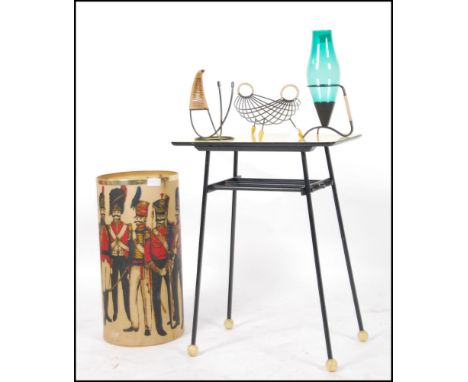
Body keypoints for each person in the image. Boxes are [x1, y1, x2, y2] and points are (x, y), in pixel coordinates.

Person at [124, 187, 152, 336]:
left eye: (141, 218)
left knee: (146, 298)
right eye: (137, 217)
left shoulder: (147, 233)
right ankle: (135, 324)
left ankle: (148, 326)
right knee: (132, 297)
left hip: (145, 269)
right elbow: (129, 251)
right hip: (134, 267)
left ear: (144, 218)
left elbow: (147, 253)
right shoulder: (133, 233)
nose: (138, 220)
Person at [145, 193, 174, 336]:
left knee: (170, 294)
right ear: (156, 216)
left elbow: (172, 251)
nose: (161, 218)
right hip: (156, 266)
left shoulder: (169, 231)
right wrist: (158, 270)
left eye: (163, 216)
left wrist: (167, 265)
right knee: (156, 297)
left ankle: (172, 320)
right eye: (159, 216)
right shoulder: (150, 233)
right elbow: (147, 256)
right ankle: (159, 327)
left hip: (166, 265)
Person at [108, 185, 132, 323]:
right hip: (113, 260)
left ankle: (128, 312)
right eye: (114, 211)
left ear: (120, 212)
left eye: (118, 211)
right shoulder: (109, 227)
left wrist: (118, 242)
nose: (116, 214)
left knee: (125, 287)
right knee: (115, 288)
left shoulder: (125, 227)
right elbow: (108, 246)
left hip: (123, 259)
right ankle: (116, 312)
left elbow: (128, 247)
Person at [169, 187, 183, 328]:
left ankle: (178, 319)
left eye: (178, 212)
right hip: (173, 259)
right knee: (173, 288)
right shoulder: (172, 228)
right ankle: (175, 316)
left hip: (177, 258)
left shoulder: (176, 227)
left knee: (177, 287)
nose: (177, 214)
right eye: (176, 211)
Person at [98, 187, 112, 324]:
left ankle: (108, 314)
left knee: (108, 287)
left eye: (103, 211)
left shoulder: (107, 227)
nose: (102, 213)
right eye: (101, 211)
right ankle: (106, 313)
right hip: (103, 259)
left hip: (108, 260)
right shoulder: (100, 226)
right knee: (105, 288)